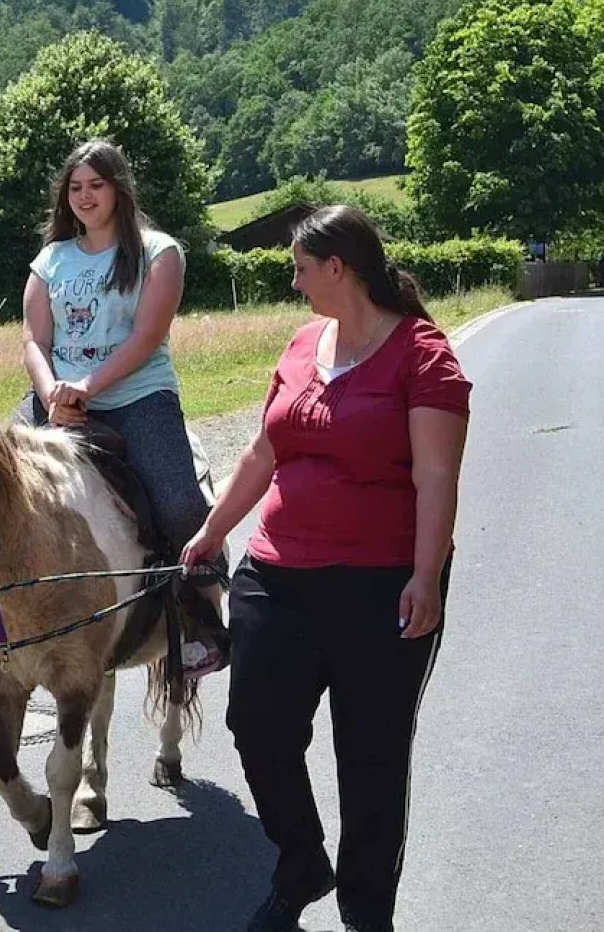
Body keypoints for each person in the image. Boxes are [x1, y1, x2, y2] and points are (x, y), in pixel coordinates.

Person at [180, 205, 471, 932]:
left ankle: (367, 913)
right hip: (278, 575)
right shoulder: (303, 342)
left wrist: (426, 575)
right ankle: (302, 861)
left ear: (337, 267)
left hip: (381, 585)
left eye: (301, 267)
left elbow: (437, 477)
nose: (294, 279)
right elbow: (262, 452)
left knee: (371, 760)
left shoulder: (423, 356)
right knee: (257, 726)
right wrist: (213, 530)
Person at [19, 136, 227, 675]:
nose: (84, 196)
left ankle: (204, 622)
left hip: (138, 398)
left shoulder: (159, 252)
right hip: (58, 400)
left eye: (96, 185)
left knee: (180, 505)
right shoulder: (50, 260)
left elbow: (146, 336)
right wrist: (52, 392)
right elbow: (35, 340)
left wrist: (87, 387)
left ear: (119, 190)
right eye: (75, 187)